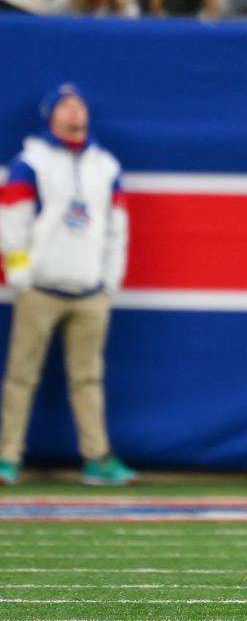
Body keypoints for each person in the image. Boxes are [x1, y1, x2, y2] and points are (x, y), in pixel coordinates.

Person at [0, 83, 137, 487]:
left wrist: (109, 280)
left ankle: (97, 458)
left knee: (88, 378)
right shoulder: (32, 162)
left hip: (90, 292)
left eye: (79, 102)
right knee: (21, 376)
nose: (75, 110)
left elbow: (117, 228)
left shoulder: (105, 165)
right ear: (51, 114)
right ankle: (8, 457)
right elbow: (12, 221)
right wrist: (22, 277)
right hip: (40, 290)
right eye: (65, 104)